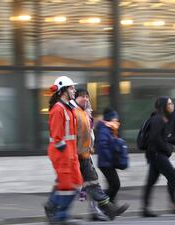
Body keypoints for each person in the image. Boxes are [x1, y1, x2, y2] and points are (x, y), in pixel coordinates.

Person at [44, 76, 120, 224]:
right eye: (71, 88)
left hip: (71, 153)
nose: (74, 90)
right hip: (63, 154)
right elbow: (57, 137)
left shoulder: (68, 108)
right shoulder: (59, 109)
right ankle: (59, 216)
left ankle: (54, 209)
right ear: (63, 90)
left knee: (71, 184)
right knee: (70, 186)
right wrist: (66, 151)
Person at [73, 90, 128, 221]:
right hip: (77, 155)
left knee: (92, 184)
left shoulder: (84, 113)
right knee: (79, 185)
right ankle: (56, 207)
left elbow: (89, 133)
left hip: (85, 154)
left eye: (87, 97)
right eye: (82, 97)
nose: (85, 99)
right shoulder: (75, 112)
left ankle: (105, 210)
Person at [141, 97, 175, 217]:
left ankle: (145, 209)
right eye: (170, 104)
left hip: (156, 154)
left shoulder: (163, 119)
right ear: (163, 106)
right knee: (172, 176)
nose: (172, 105)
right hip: (157, 154)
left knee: (151, 181)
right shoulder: (158, 119)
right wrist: (166, 148)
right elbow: (154, 138)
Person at [95, 107, 129, 209]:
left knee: (113, 185)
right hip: (106, 163)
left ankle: (110, 207)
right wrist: (111, 158)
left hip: (108, 162)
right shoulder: (104, 130)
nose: (116, 121)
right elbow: (103, 147)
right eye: (115, 118)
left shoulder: (110, 129)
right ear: (109, 118)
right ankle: (103, 206)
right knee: (115, 184)